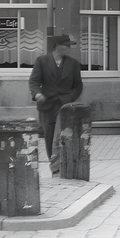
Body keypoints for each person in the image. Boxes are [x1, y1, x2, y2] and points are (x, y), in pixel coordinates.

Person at [28, 32, 85, 165]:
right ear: (57, 46)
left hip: (65, 106)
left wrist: (70, 98)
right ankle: (54, 165)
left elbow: (78, 86)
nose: (68, 49)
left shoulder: (74, 64)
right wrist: (37, 94)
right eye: (66, 46)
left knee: (65, 136)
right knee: (49, 137)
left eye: (69, 46)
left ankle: (66, 164)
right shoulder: (42, 61)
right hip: (48, 106)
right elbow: (34, 82)